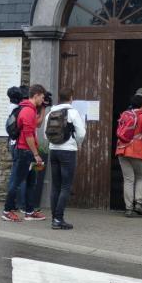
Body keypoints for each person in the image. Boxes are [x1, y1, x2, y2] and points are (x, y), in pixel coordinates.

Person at [2, 84, 48, 222]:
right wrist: (36, 154)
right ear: (36, 95)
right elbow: (28, 135)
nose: (43, 99)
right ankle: (7, 211)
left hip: (28, 152)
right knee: (16, 182)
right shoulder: (27, 111)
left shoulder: (31, 109)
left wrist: (44, 108)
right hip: (24, 152)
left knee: (31, 182)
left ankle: (29, 211)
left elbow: (37, 125)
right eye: (42, 97)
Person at [46, 87, 86, 229]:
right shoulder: (73, 113)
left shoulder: (51, 112)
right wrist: (78, 143)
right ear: (71, 97)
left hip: (53, 150)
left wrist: (54, 143)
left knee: (55, 186)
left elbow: (46, 134)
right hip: (68, 151)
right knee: (65, 186)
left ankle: (54, 219)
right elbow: (81, 133)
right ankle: (58, 219)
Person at [115, 94, 142, 217]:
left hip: (122, 150)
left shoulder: (125, 115)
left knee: (128, 179)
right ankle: (138, 203)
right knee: (141, 177)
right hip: (138, 151)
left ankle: (128, 208)